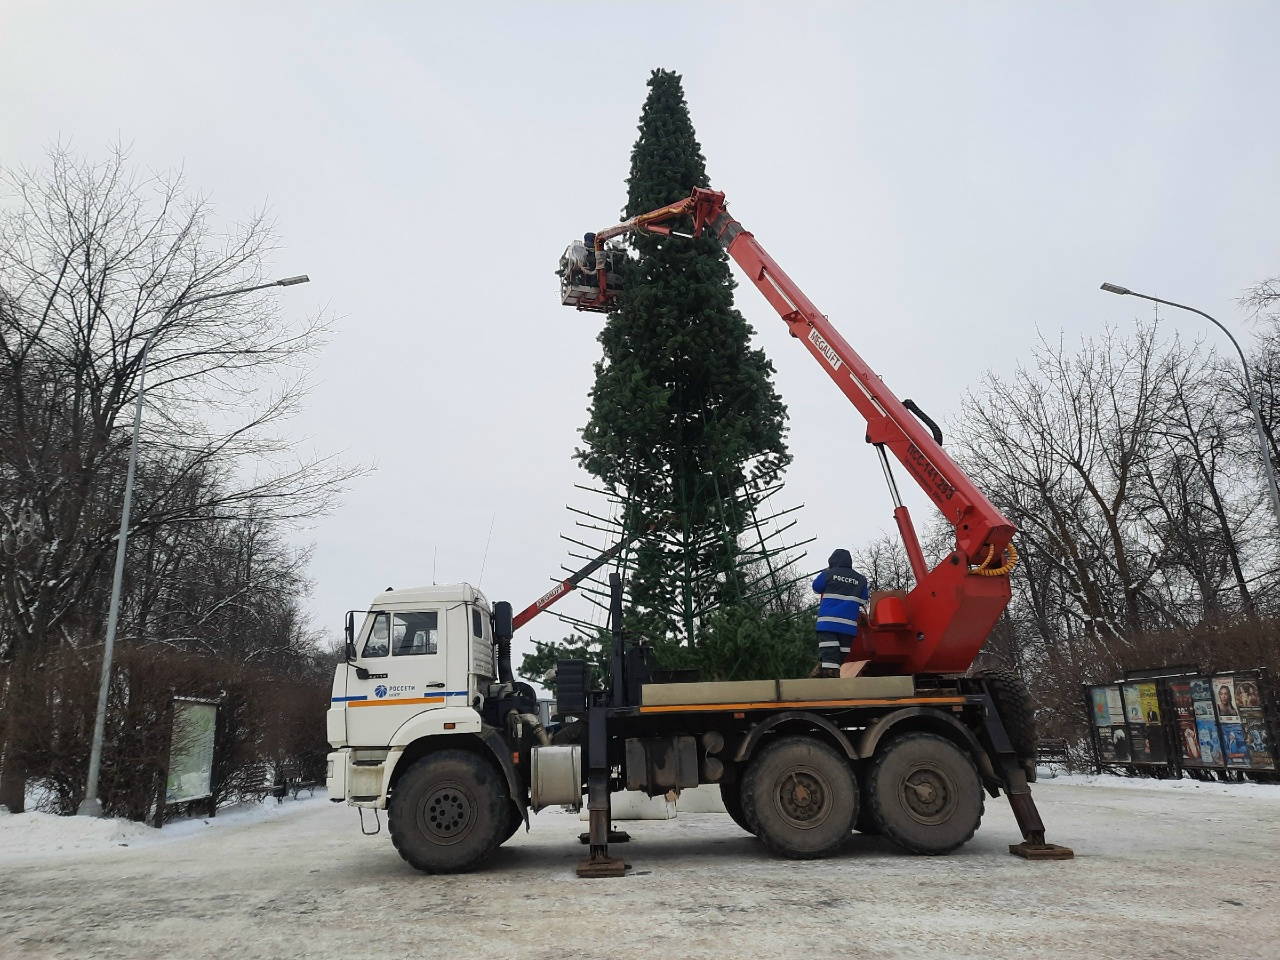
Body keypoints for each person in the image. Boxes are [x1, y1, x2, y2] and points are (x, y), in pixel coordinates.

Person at [810, 548, 869, 678]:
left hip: (827, 624)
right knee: (838, 657)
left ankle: (824, 684)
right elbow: (863, 600)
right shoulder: (861, 579)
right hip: (847, 627)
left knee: (830, 657)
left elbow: (816, 587)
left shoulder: (828, 574)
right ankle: (820, 676)